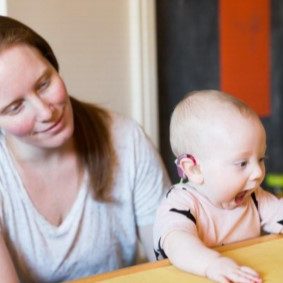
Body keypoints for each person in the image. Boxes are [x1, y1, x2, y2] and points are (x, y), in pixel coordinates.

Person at [0, 15, 171, 283]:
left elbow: (168, 265)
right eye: (15, 107)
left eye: (44, 84)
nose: (46, 112)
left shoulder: (126, 140)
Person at [153, 90, 283, 283]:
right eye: (242, 163)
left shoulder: (254, 197)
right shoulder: (181, 204)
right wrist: (212, 264)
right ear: (194, 169)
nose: (258, 173)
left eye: (261, 159)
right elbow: (176, 243)